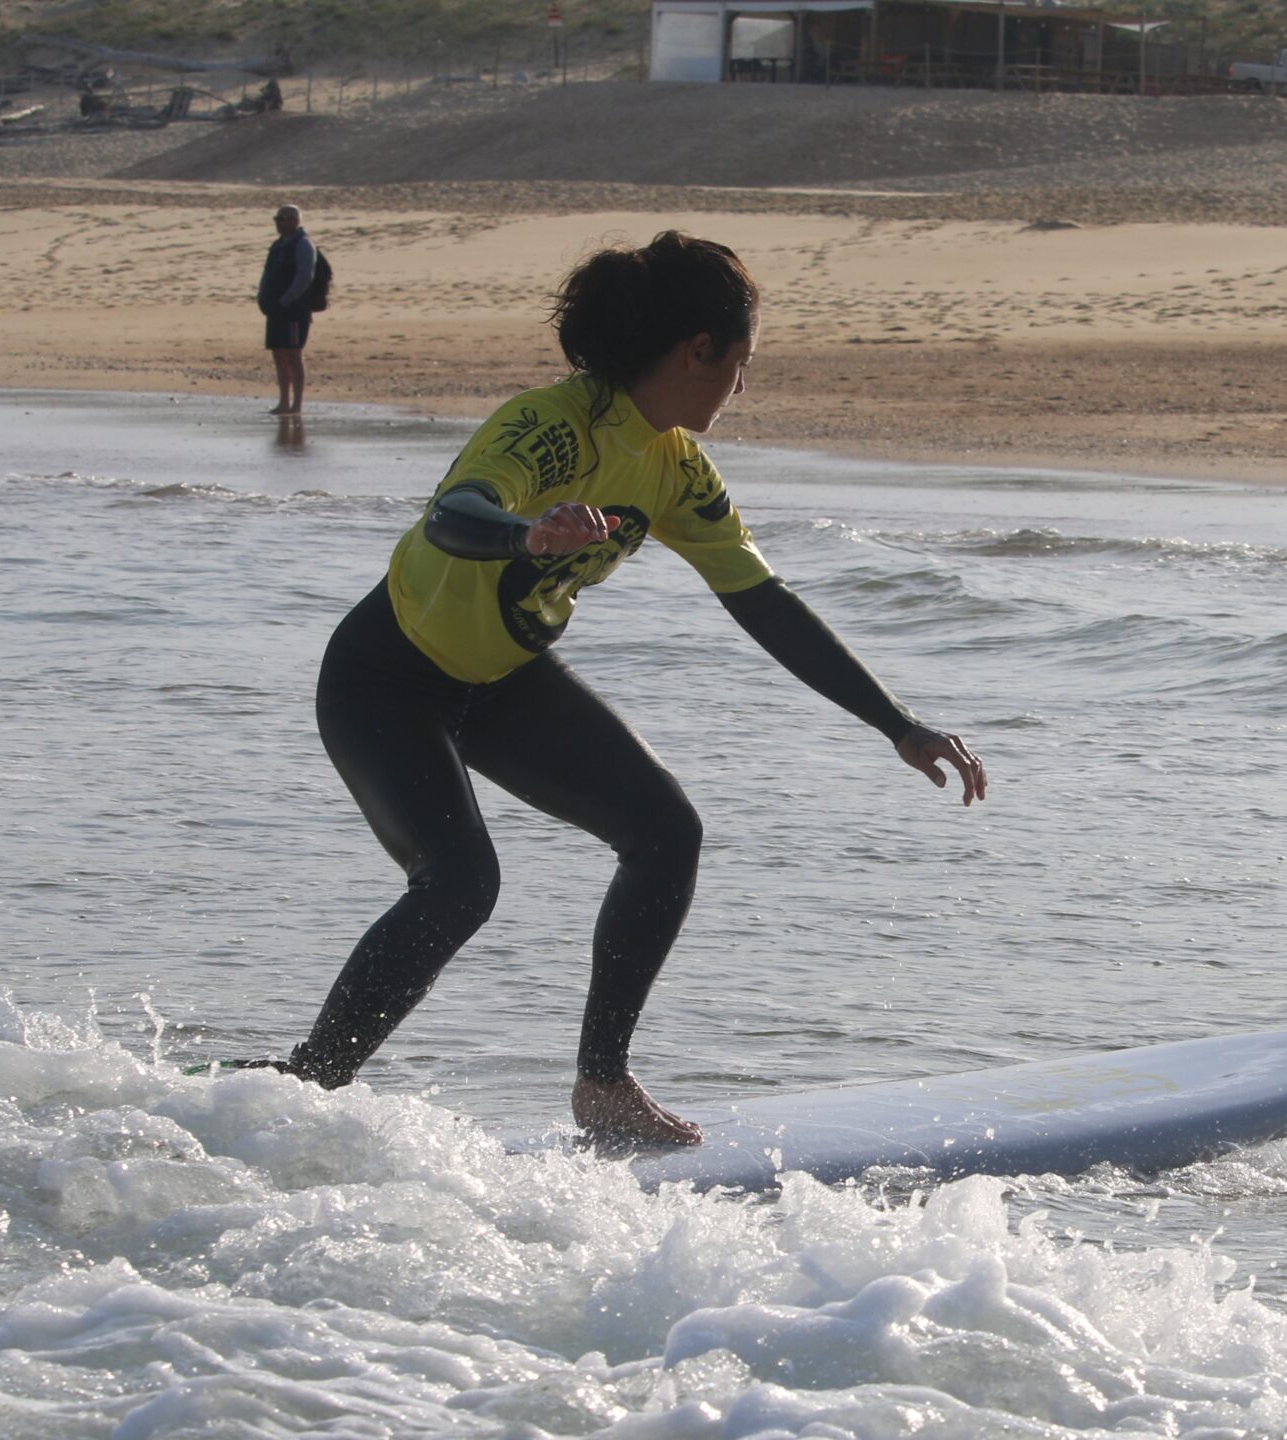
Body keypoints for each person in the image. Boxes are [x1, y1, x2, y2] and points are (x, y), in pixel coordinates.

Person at [285, 231, 988, 1149]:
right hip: (387, 677)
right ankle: (303, 1090)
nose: (742, 387)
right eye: (741, 363)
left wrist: (895, 724)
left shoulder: (674, 467)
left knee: (665, 833)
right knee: (458, 884)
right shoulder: (549, 424)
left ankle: (603, 1085)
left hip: (501, 680)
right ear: (699, 350)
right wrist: (525, 535)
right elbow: (453, 516)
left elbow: (762, 601)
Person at [257, 204, 316, 415]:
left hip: (293, 309)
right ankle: (283, 402)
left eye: (281, 219)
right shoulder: (278, 245)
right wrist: (263, 298)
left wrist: (287, 299)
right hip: (275, 309)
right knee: (278, 354)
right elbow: (267, 274)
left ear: (294, 221)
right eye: (276, 219)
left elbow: (305, 276)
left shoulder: (304, 244)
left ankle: (296, 404)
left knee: (294, 355)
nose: (278, 223)